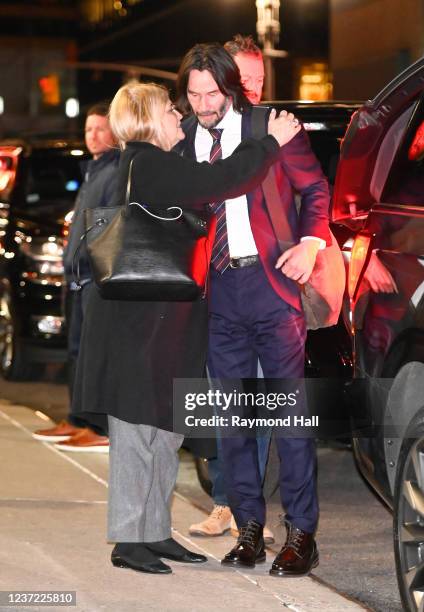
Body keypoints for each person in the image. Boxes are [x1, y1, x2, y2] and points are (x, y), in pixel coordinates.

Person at [70, 81, 302, 575]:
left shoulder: (153, 163)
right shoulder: (146, 161)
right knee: (137, 430)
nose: (182, 117)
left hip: (164, 321)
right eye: (172, 111)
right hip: (139, 323)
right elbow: (221, 180)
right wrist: (269, 143)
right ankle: (129, 540)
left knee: (162, 430)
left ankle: (154, 532)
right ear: (151, 118)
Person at [176, 43, 331, 576]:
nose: (202, 104)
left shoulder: (272, 126)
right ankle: (247, 528)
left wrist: (311, 244)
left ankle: (301, 534)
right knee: (232, 420)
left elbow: (315, 189)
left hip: (272, 288)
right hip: (219, 294)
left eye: (211, 93)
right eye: (193, 94)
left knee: (289, 418)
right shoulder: (185, 139)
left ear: (231, 87)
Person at [188, 34, 274, 544]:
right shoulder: (195, 134)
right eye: (243, 82)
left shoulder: (275, 133)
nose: (252, 91)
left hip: (264, 285)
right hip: (215, 284)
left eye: (259, 82)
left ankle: (247, 512)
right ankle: (226, 503)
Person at [32, 103, 119, 452]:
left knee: (91, 353)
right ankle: (78, 418)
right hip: (78, 277)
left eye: (100, 128)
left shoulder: (113, 172)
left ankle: (96, 424)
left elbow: (107, 229)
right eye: (88, 129)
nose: (93, 136)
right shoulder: (94, 170)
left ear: (115, 132)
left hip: (92, 278)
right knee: (77, 350)